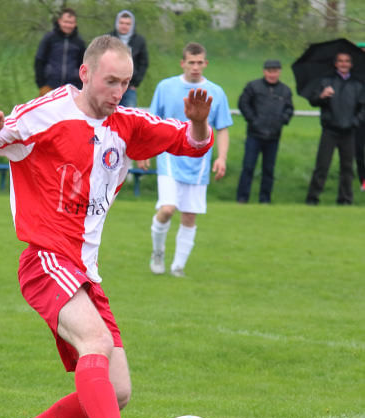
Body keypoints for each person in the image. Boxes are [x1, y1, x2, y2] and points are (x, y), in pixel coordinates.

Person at [0, 35, 215, 418]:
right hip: (44, 259)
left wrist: (198, 125)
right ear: (85, 73)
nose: (117, 92)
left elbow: (190, 144)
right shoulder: (46, 113)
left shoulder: (127, 124)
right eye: (110, 81)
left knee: (117, 391)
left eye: (125, 83)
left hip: (83, 271)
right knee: (95, 344)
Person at [142, 42, 232, 277]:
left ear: (205, 63)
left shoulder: (216, 92)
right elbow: (152, 123)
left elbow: (222, 128)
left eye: (199, 62)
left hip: (199, 163)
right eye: (191, 62)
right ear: (182, 63)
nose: (195, 67)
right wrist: (144, 152)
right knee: (168, 209)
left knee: (189, 215)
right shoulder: (166, 87)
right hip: (169, 157)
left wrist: (221, 157)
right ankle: (158, 252)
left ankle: (178, 266)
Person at [304, 51, 365, 205]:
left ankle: (345, 199)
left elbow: (362, 108)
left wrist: (354, 122)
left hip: (349, 131)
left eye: (346, 61)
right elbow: (313, 100)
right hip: (330, 130)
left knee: (347, 168)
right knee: (322, 166)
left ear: (351, 64)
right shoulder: (326, 81)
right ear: (336, 63)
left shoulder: (358, 85)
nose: (343, 64)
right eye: (340, 61)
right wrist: (322, 96)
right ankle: (313, 198)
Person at [236, 59, 294, 204]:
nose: (272, 74)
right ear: (264, 71)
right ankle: (242, 198)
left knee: (268, 169)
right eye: (269, 71)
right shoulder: (253, 86)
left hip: (274, 136)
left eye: (275, 71)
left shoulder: (285, 90)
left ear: (279, 72)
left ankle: (265, 199)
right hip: (254, 135)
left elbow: (289, 108)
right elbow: (243, 103)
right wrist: (253, 120)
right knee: (248, 167)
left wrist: (282, 120)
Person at [34, 7, 87, 96]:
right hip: (49, 87)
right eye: (65, 22)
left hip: (71, 89)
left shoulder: (79, 42)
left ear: (75, 24)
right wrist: (41, 84)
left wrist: (80, 85)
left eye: (71, 23)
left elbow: (83, 65)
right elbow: (39, 60)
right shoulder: (49, 38)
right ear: (59, 21)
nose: (68, 25)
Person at [108, 10, 148, 108]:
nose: (124, 26)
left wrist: (136, 82)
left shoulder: (139, 41)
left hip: (129, 87)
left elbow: (143, 63)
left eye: (127, 24)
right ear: (117, 23)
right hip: (110, 86)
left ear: (132, 25)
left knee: (129, 117)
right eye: (121, 23)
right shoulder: (108, 38)